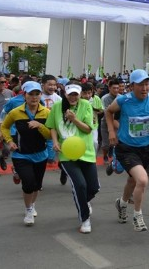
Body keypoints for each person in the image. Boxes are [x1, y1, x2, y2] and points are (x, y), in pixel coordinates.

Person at [106, 69, 149, 232]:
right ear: (132, 86)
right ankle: (137, 216)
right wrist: (111, 131)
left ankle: (122, 203)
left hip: (146, 148)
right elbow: (109, 112)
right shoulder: (124, 100)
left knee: (133, 180)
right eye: (140, 85)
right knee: (143, 180)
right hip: (126, 148)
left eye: (147, 84)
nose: (145, 88)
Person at [46, 82, 99, 234]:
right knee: (80, 185)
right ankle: (85, 219)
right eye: (70, 94)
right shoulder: (57, 107)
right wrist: (55, 142)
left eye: (76, 94)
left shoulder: (86, 105)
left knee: (94, 187)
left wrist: (74, 119)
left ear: (80, 94)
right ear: (65, 94)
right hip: (66, 154)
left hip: (86, 152)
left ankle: (82, 200)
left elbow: (88, 129)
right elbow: (52, 127)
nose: (73, 97)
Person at [0, 81, 50, 226]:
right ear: (24, 95)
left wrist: (39, 125)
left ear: (40, 95)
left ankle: (32, 205)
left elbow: (49, 135)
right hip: (21, 154)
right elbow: (4, 127)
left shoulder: (47, 112)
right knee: (28, 183)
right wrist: (9, 141)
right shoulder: (16, 112)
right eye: (31, 94)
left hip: (41, 154)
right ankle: (28, 209)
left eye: (37, 94)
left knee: (37, 185)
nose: (34, 97)